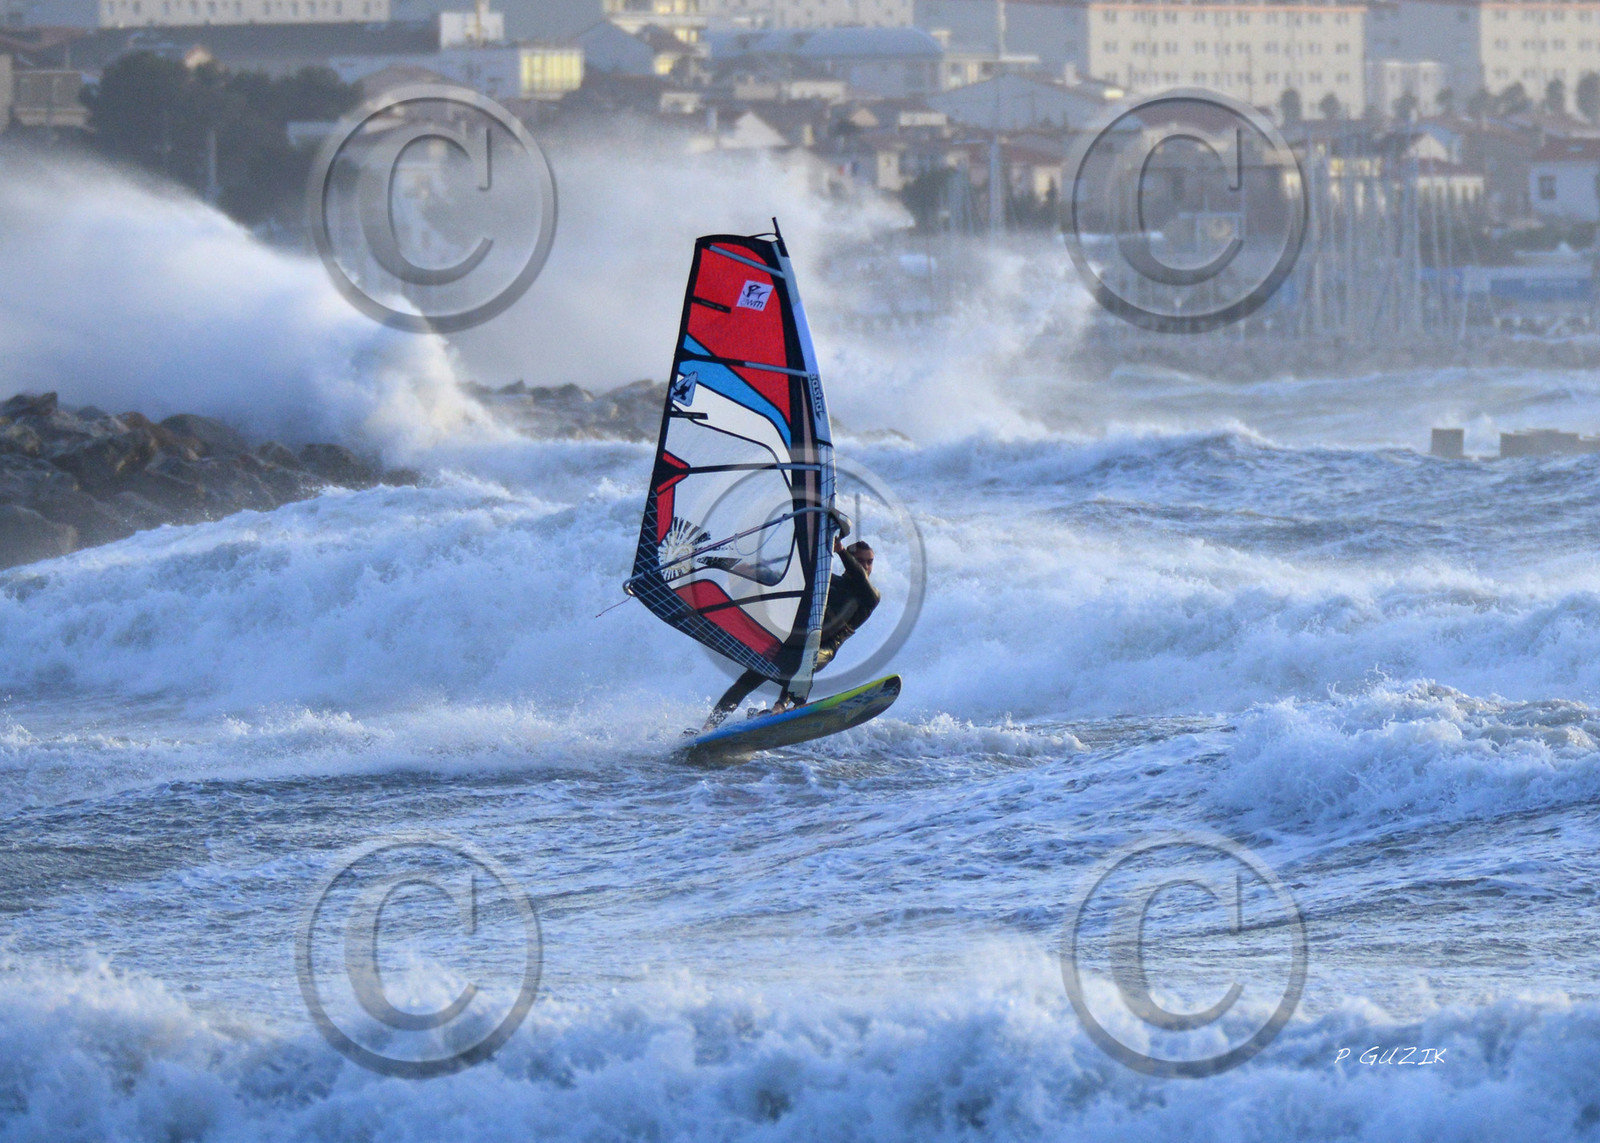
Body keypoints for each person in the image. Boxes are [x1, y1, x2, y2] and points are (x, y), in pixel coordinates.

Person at [703, 534, 879, 729]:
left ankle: (780, 706)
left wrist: (842, 551)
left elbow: (860, 578)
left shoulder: (870, 597)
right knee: (747, 680)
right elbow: (781, 577)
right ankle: (708, 727)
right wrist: (745, 569)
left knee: (805, 658)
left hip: (824, 650)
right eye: (860, 560)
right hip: (793, 643)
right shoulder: (826, 581)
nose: (866, 566)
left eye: (869, 562)